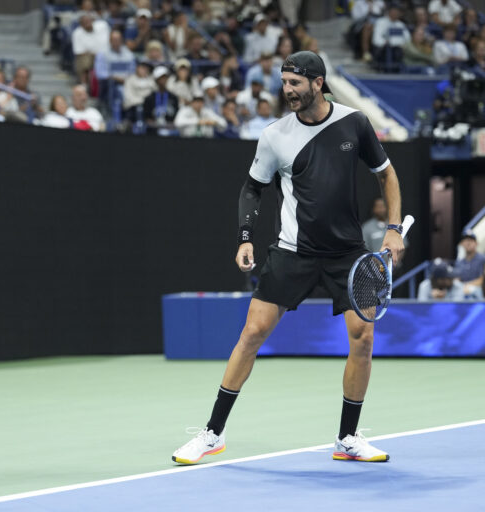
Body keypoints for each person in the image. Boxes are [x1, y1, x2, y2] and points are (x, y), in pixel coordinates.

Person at [172, 51, 404, 465]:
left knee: (363, 339)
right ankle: (212, 433)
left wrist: (393, 228)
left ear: (317, 82)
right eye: (284, 83)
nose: (287, 91)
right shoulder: (274, 136)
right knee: (251, 334)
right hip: (292, 251)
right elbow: (251, 189)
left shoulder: (354, 123)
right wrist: (246, 237)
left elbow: (386, 173)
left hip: (347, 255)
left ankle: (347, 438)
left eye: (295, 83)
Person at [453, 230, 484, 299]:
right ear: (461, 244)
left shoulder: (482, 259)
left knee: (473, 291)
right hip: (462, 290)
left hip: (478, 291)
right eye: (465, 240)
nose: (468, 243)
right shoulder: (459, 262)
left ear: (476, 243)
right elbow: (456, 279)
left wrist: (467, 286)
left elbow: (482, 279)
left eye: (471, 240)